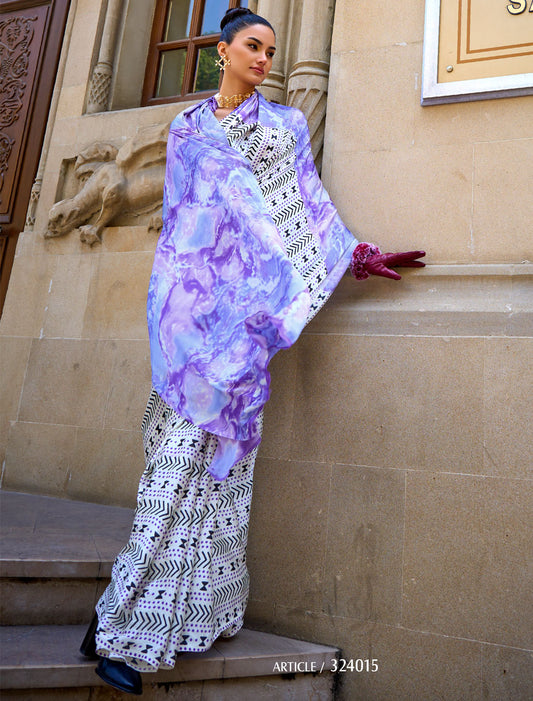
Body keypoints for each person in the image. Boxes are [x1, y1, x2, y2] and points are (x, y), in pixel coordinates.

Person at [80, 8, 425, 695]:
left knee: (211, 483)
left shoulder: (284, 128)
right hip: (187, 326)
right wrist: (173, 315)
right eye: (252, 46)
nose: (265, 58)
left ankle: (157, 619)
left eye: (271, 49)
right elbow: (179, 227)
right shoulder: (186, 129)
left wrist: (355, 257)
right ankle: (117, 627)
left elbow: (303, 212)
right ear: (223, 50)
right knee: (170, 474)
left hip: (242, 330)